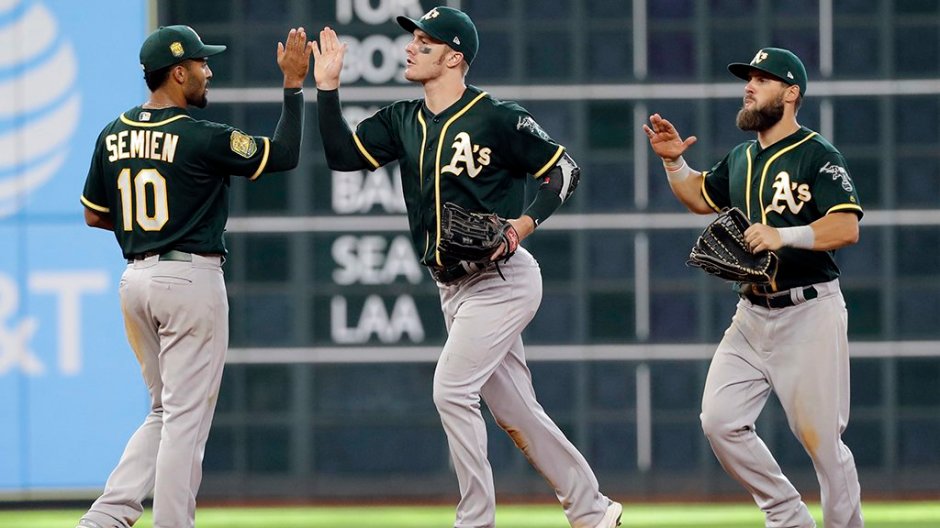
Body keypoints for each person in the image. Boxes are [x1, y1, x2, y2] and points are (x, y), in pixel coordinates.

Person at [313, 7, 621, 528]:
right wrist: (327, 89)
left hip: (502, 279)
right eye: (413, 39)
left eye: (425, 42)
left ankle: (475, 520)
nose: (411, 48)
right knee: (516, 411)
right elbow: (343, 155)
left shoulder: (496, 117)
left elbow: (564, 171)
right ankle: (592, 510)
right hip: (452, 287)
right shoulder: (402, 120)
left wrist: (520, 226)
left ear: (455, 57)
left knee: (451, 389)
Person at [76, 24, 313, 528]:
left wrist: (149, 227)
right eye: (202, 63)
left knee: (164, 411)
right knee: (185, 419)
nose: (209, 71)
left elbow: (95, 213)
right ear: (178, 72)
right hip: (188, 280)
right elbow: (284, 154)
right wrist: (293, 85)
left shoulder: (113, 133)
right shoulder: (202, 135)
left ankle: (106, 517)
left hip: (135, 283)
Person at [644, 47, 864, 527]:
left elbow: (846, 226)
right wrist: (675, 164)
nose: (749, 87)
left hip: (809, 311)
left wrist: (785, 235)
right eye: (749, 79)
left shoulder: (817, 154)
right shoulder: (742, 157)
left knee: (823, 444)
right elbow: (700, 195)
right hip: (751, 315)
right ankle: (788, 516)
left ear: (791, 93)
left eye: (763, 80)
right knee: (720, 421)